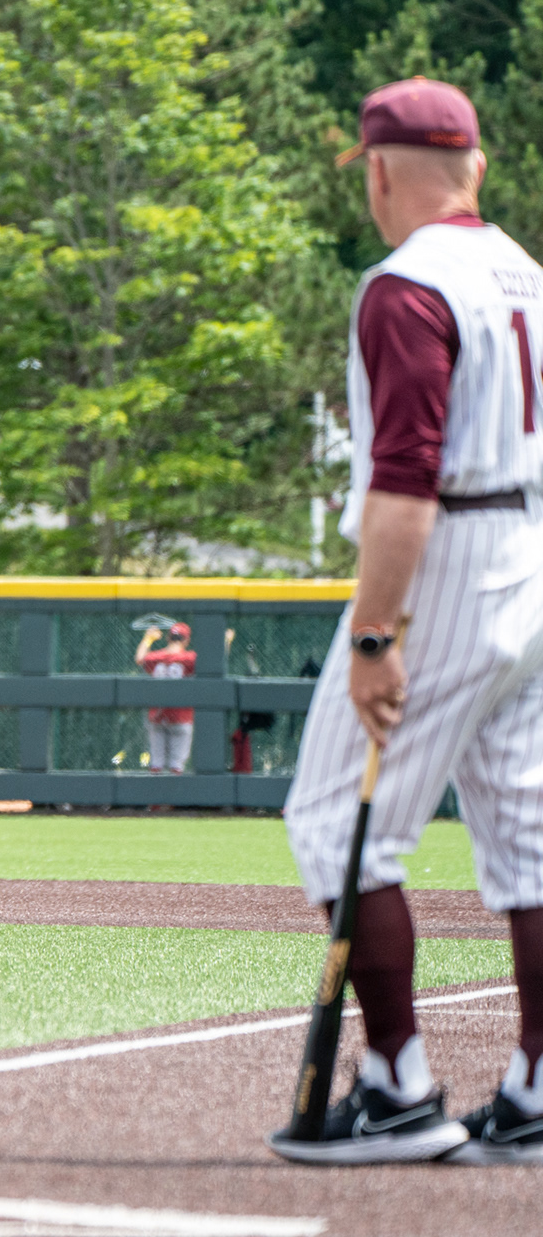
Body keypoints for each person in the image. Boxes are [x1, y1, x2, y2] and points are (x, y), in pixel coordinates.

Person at [269, 77, 543, 1165]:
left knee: (336, 822)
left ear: (380, 171)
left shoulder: (406, 283)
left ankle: (396, 1086)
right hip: (530, 556)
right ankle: (532, 1089)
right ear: (475, 164)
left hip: (446, 558)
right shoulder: (528, 271)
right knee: (526, 839)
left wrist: (377, 635)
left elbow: (403, 482)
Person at [134, 622, 195, 774]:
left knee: (156, 765)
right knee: (176, 767)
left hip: (157, 716)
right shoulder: (189, 658)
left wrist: (148, 638)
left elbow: (139, 658)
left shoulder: (155, 657)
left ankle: (155, 797)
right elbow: (214, 665)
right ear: (186, 640)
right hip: (181, 717)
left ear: (168, 638)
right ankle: (172, 797)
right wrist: (226, 641)